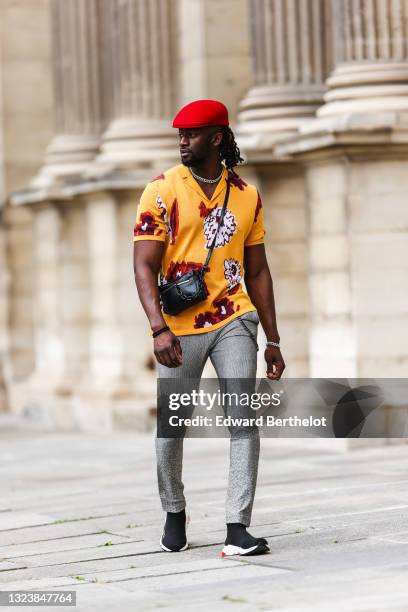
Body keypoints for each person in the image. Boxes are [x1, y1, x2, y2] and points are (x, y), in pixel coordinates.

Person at [133, 99, 285, 557]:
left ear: (216, 137)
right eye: (179, 134)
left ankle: (238, 527)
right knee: (172, 426)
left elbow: (258, 271)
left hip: (235, 319)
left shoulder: (247, 195)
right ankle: (174, 511)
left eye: (192, 134)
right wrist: (158, 329)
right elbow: (143, 264)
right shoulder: (160, 190)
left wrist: (273, 338)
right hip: (178, 329)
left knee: (243, 422)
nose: (182, 141)